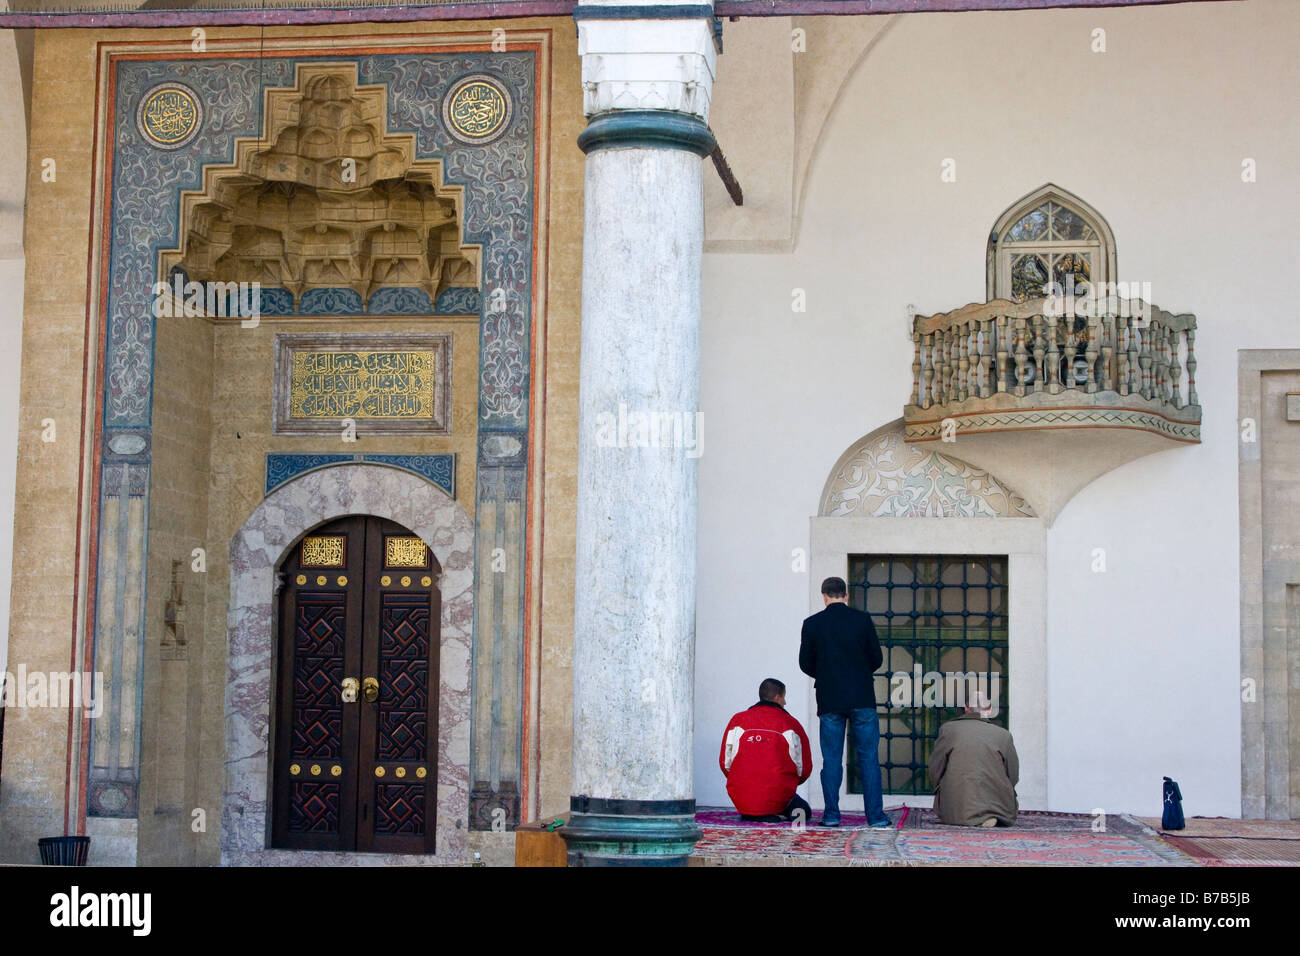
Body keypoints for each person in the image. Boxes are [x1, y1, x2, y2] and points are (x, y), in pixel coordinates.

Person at [799, 576, 891, 829]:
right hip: (862, 696)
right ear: (846, 595)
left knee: (831, 760)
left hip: (830, 698)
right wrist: (859, 673)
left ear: (824, 596)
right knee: (869, 758)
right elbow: (876, 658)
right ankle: (876, 817)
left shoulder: (812, 623)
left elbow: (805, 663)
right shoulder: (862, 620)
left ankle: (831, 815)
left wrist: (826, 675)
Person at [719, 678, 813, 823]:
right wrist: (788, 784)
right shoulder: (790, 723)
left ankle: (753, 811)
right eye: (784, 697)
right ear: (777, 697)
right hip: (778, 796)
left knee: (757, 800)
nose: (785, 702)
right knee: (802, 810)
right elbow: (804, 768)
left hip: (742, 798)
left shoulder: (737, 720)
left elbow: (725, 763)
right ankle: (772, 811)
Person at [927, 692, 1019, 827]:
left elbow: (935, 769)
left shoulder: (948, 730)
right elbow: (1013, 775)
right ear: (990, 710)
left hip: (956, 806)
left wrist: (942, 790)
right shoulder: (1003, 735)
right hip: (996, 804)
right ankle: (989, 815)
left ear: (966, 708)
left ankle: (966, 815)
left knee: (955, 807)